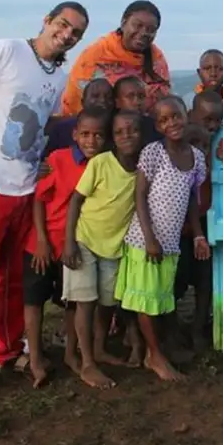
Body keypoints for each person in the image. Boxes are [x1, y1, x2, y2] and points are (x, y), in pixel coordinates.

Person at [0, 1, 89, 400]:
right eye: (63, 24)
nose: (68, 34)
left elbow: (44, 124)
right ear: (47, 21)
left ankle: (8, 351)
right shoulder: (6, 50)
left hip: (25, 190)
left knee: (11, 279)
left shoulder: (59, 76)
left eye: (76, 32)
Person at [116, 96, 210, 382]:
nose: (172, 123)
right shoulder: (153, 152)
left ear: (186, 115)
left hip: (171, 244)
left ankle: (158, 351)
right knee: (147, 300)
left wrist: (198, 236)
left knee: (160, 298)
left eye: (176, 116)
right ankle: (155, 356)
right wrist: (149, 239)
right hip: (146, 241)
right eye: (164, 120)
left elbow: (192, 202)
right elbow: (140, 196)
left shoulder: (196, 157)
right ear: (157, 125)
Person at [24, 108, 108, 388]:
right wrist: (41, 240)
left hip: (76, 246)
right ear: (75, 135)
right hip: (43, 243)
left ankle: (73, 355)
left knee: (73, 301)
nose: (91, 141)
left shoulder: (105, 164)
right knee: (34, 300)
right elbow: (39, 199)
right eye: (85, 134)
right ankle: (35, 359)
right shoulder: (58, 160)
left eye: (98, 135)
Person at [63, 110, 141, 389]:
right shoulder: (101, 163)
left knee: (108, 302)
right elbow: (75, 201)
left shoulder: (143, 169)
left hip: (114, 248)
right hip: (84, 241)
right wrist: (69, 241)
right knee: (85, 301)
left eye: (132, 131)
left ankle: (98, 348)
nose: (126, 137)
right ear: (113, 138)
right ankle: (87, 363)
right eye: (119, 133)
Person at [173, 90, 223, 350]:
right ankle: (171, 329)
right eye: (207, 120)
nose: (213, 126)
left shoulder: (213, 152)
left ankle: (199, 328)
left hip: (203, 224)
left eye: (218, 121)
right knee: (176, 279)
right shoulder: (173, 154)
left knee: (205, 277)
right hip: (175, 229)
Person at [61, 0, 170, 116]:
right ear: (123, 23)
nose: (144, 33)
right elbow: (80, 98)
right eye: (137, 25)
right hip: (91, 126)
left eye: (151, 29)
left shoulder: (156, 59)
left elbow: (163, 100)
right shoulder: (98, 54)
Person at [44, 78, 114, 158]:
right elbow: (47, 161)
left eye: (108, 97)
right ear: (83, 102)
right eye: (95, 96)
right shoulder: (62, 129)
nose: (102, 100)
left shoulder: (118, 129)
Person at [113, 76, 162, 149]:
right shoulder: (110, 127)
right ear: (117, 102)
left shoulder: (155, 127)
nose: (137, 102)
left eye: (141, 96)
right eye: (130, 96)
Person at [193, 49, 223, 114]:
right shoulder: (189, 103)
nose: (213, 74)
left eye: (220, 69)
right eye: (207, 68)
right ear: (199, 73)